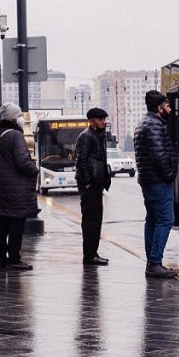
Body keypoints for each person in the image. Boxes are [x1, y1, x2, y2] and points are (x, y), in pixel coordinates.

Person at [0, 102, 38, 271]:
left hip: (0, 188)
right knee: (16, 223)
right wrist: (34, 170)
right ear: (14, 118)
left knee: (2, 222)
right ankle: (14, 259)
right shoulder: (15, 136)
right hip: (16, 189)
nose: (21, 119)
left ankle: (0, 259)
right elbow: (23, 162)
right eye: (19, 116)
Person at [133, 90, 177, 278]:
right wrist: (169, 175)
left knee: (152, 219)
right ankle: (154, 262)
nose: (170, 109)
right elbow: (159, 156)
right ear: (159, 108)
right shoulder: (154, 126)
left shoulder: (144, 123)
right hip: (158, 181)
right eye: (167, 106)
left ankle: (152, 262)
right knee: (166, 219)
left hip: (148, 181)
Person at [74, 107, 111, 266]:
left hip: (97, 184)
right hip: (90, 185)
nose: (103, 122)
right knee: (90, 222)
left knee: (96, 221)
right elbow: (81, 161)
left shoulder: (98, 135)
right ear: (92, 120)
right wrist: (88, 181)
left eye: (104, 119)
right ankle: (89, 256)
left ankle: (93, 253)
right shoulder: (86, 136)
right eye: (100, 119)